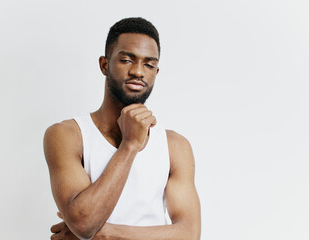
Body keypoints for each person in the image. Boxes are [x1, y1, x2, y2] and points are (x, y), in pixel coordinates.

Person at [43, 17, 201, 240]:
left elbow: (189, 234)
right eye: (127, 60)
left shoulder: (175, 146)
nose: (138, 71)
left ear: (156, 73)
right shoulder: (68, 135)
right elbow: (84, 222)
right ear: (104, 65)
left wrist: (104, 234)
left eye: (149, 64)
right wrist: (129, 145)